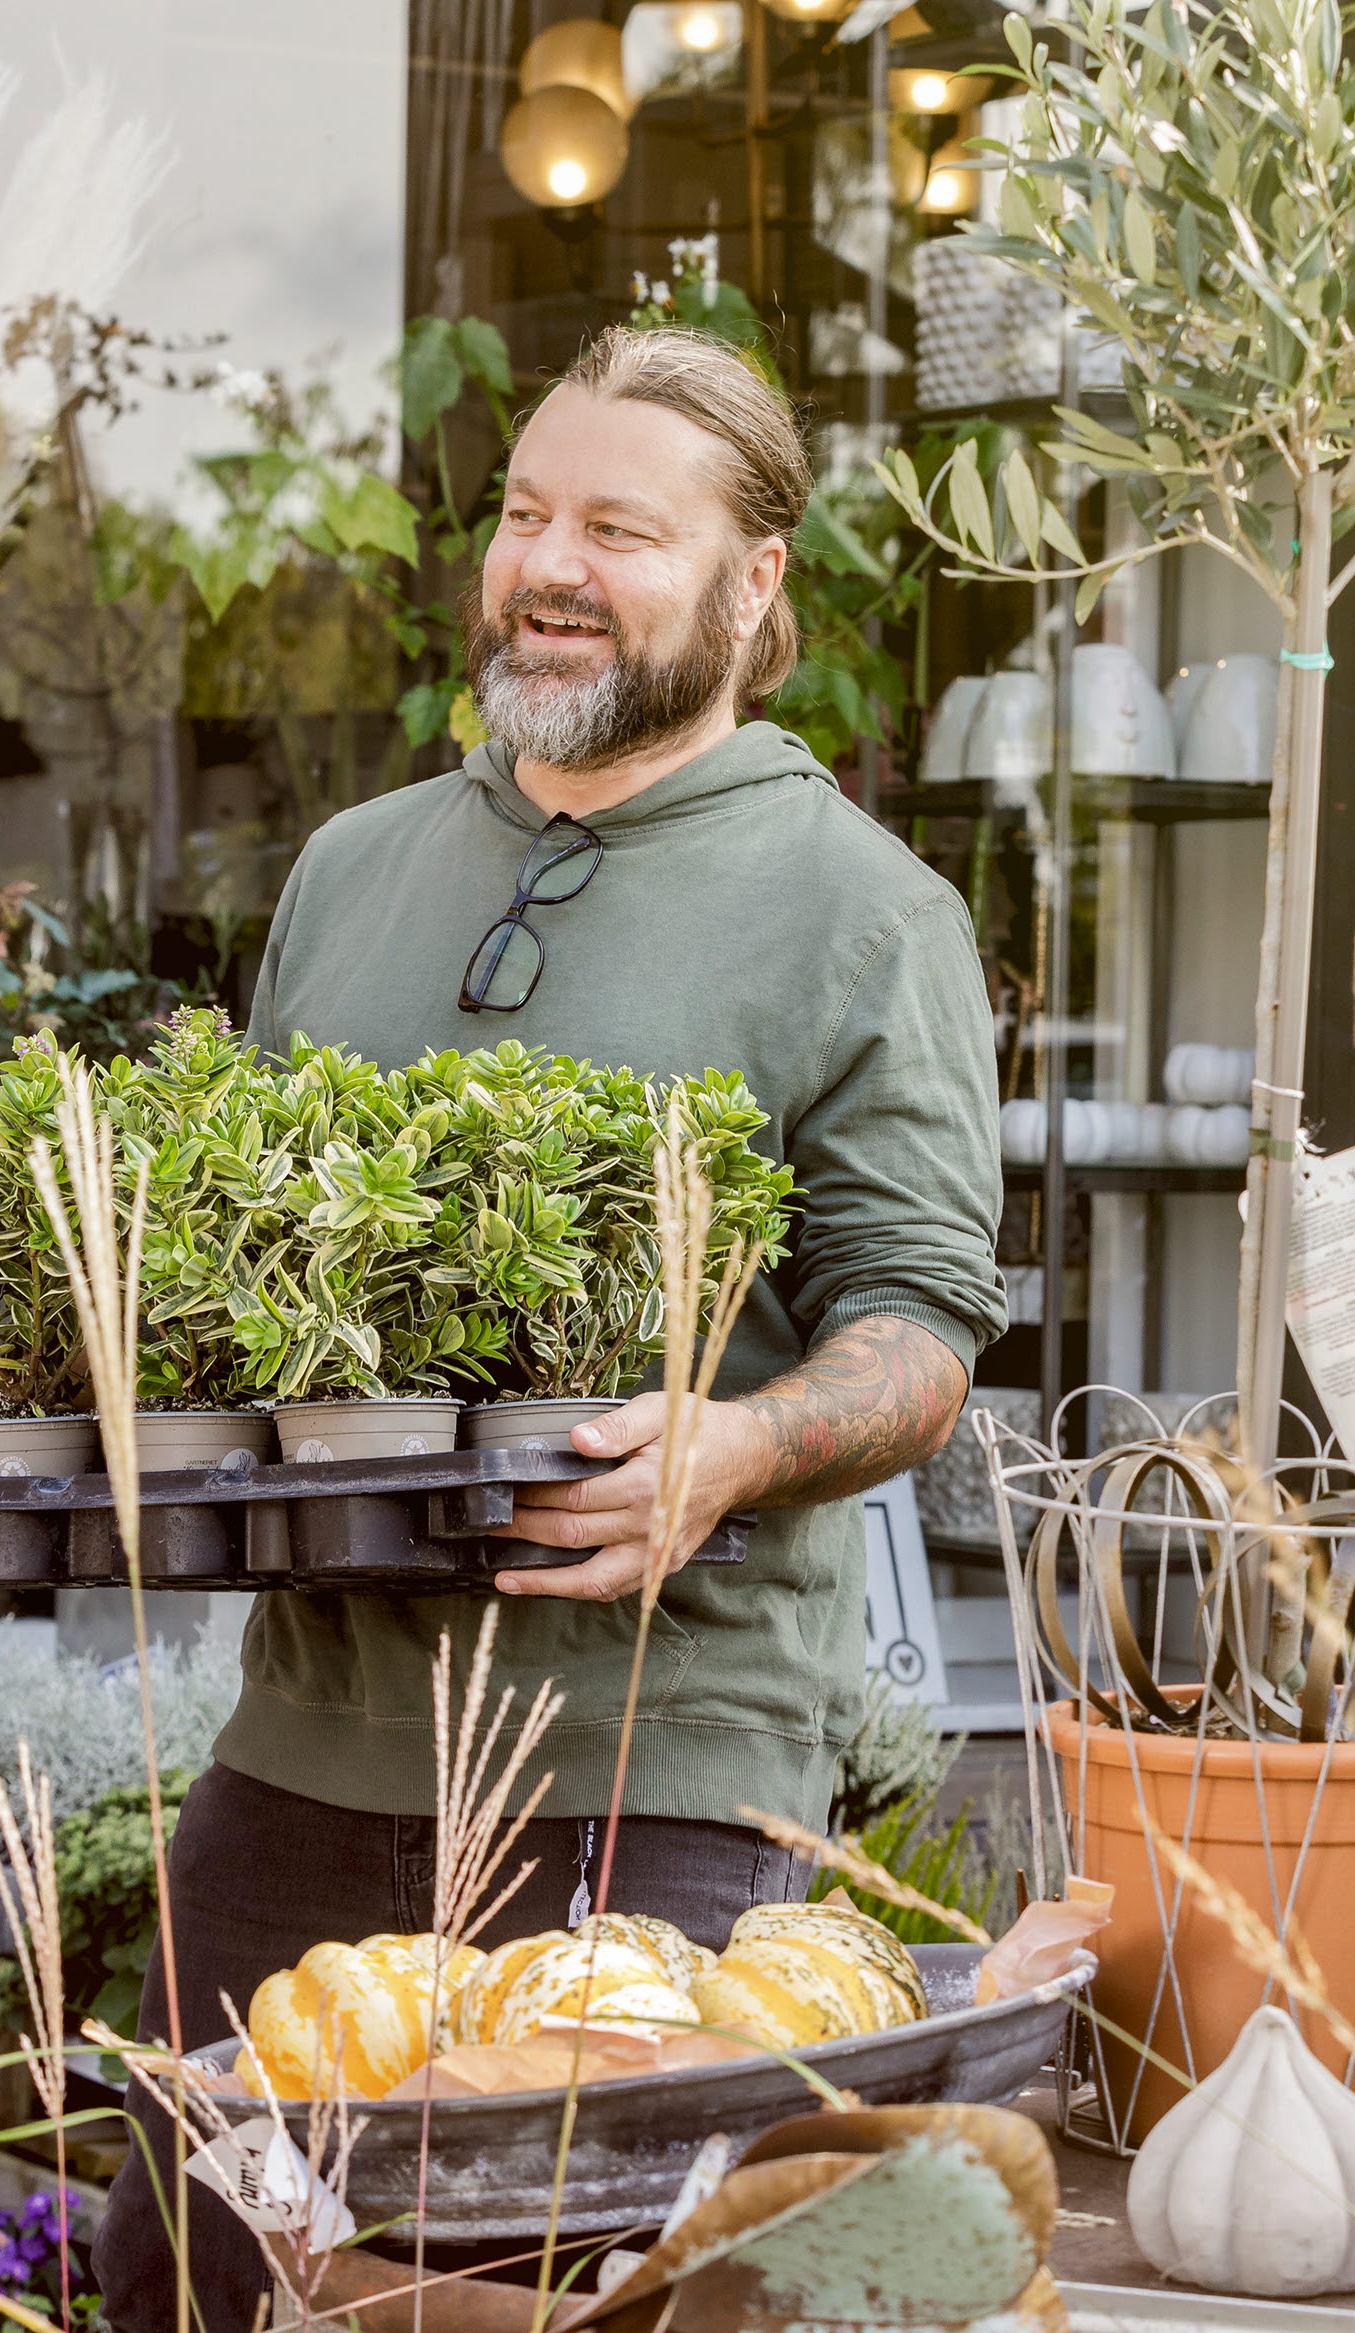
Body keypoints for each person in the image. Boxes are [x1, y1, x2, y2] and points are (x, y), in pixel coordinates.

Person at [92, 324, 1005, 2327]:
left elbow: (919, 1323)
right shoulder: (352, 869)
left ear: (750, 586)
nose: (547, 562)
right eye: (522, 513)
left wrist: (740, 1446)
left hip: (647, 1785)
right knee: (193, 2284)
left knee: (554, 2302)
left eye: (616, 525)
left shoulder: (859, 914)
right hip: (298, 1762)